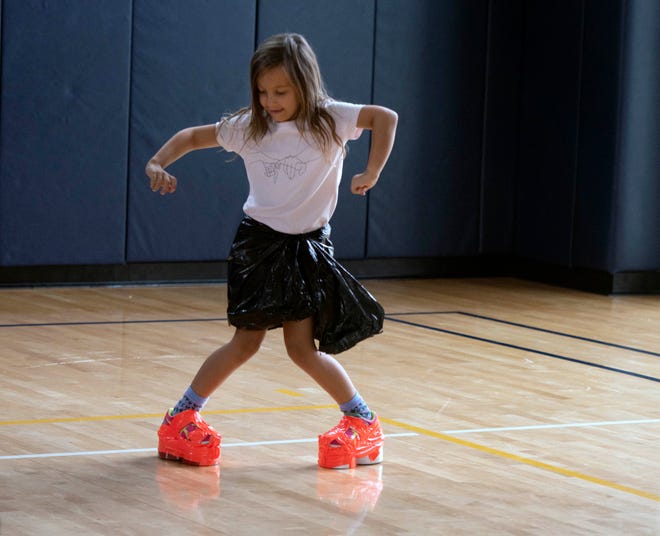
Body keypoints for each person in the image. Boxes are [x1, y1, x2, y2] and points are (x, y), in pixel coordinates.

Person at [146, 33, 397, 469]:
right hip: (258, 246)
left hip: (307, 248)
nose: (270, 101)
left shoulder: (332, 119)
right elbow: (189, 137)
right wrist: (157, 163)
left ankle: (363, 421)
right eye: (263, 92)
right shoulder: (249, 127)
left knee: (302, 349)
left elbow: (385, 118)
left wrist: (371, 170)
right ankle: (181, 416)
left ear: (304, 83)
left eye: (280, 91)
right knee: (245, 342)